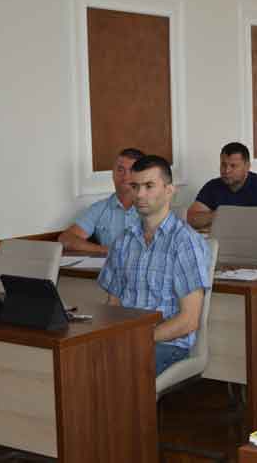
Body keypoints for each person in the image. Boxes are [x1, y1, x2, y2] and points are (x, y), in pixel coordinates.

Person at [98, 155, 211, 376]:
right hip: (129, 340)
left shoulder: (185, 242)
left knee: (115, 370)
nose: (140, 194)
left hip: (168, 345)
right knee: (80, 361)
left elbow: (188, 321)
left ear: (169, 190)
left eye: (149, 186)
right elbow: (113, 305)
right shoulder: (123, 241)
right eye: (135, 186)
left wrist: (138, 337)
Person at [59, 148, 144, 253]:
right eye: (120, 170)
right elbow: (66, 239)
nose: (125, 176)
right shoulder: (99, 209)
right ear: (113, 173)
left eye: (131, 171)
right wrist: (107, 250)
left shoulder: (154, 208)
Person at [187, 142, 257, 234]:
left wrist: (225, 221)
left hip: (252, 242)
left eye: (233, 166)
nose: (227, 171)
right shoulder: (212, 186)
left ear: (247, 166)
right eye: (223, 165)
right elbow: (190, 219)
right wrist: (218, 215)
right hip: (219, 242)